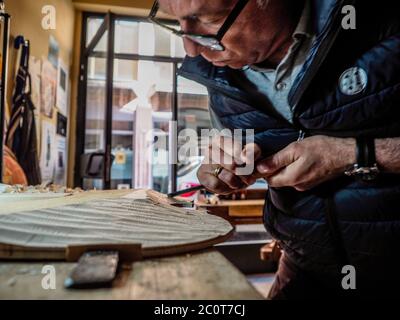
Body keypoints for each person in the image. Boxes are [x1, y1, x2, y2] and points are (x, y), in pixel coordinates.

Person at [150, 0, 400, 299]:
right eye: (178, 24)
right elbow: (225, 148)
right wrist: (216, 168)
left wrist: (355, 154)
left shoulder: (382, 22)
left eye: (210, 20)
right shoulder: (218, 68)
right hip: (303, 267)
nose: (191, 50)